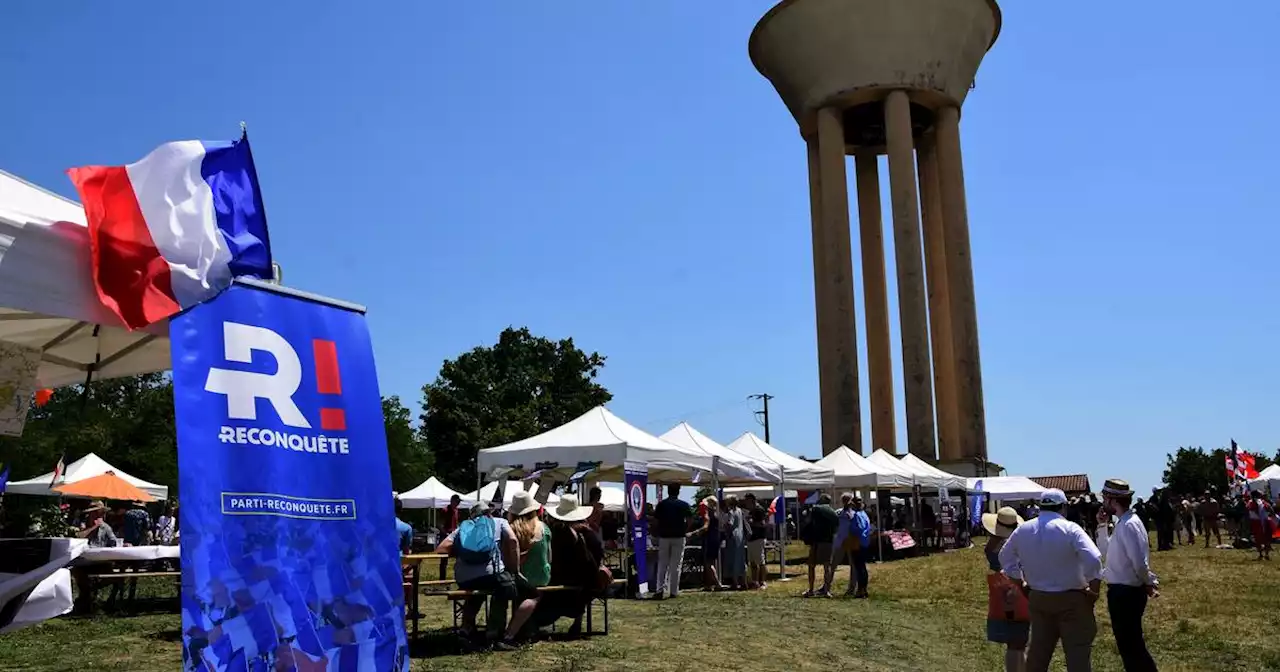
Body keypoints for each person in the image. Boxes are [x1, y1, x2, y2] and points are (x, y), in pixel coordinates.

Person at [999, 489, 1103, 672]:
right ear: (1063, 507)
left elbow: (1005, 557)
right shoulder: (1071, 528)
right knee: (1077, 655)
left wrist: (1019, 582)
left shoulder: (1024, 529)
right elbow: (1094, 558)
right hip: (1072, 599)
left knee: (1037, 655)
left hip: (1038, 597)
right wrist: (1093, 589)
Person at [435, 503, 520, 649]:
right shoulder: (500, 522)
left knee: (475, 592)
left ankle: (466, 630)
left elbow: (441, 548)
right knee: (503, 587)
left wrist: (463, 552)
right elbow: (513, 541)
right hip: (491, 575)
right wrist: (514, 568)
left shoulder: (463, 528)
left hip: (464, 578)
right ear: (489, 513)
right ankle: (494, 633)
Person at [1095, 479, 1158, 672]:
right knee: (1128, 647)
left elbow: (1139, 562)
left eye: (1105, 498)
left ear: (1112, 500)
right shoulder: (1123, 523)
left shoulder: (1129, 525)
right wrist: (1102, 526)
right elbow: (1105, 553)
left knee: (1132, 648)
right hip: (1121, 591)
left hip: (1126, 593)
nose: (1103, 503)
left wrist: (1148, 582)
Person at [530, 496, 605, 638]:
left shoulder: (551, 531)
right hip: (583, 585)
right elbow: (598, 555)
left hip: (555, 583)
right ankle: (577, 621)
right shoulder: (588, 534)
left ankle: (532, 623)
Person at [983, 507, 1029, 672]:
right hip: (1023, 591)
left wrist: (996, 534)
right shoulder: (1023, 543)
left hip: (1003, 593)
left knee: (1011, 643)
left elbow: (988, 551)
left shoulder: (995, 550)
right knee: (1021, 642)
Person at [505, 491, 550, 644]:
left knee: (523, 593)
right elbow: (549, 556)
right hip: (541, 575)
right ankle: (513, 632)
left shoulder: (509, 529)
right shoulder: (543, 528)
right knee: (534, 596)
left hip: (516, 575)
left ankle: (514, 630)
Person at [653, 484, 692, 599]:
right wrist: (685, 529)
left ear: (668, 491)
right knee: (676, 565)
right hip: (679, 536)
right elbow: (690, 520)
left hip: (664, 536)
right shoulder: (684, 505)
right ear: (678, 492)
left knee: (662, 564)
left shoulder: (661, 505)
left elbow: (655, 521)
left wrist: (657, 531)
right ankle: (673, 591)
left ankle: (659, 589)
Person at [802, 493, 839, 598]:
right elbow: (836, 528)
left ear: (821, 500)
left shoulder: (816, 509)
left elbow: (808, 520)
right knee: (827, 567)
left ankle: (811, 589)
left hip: (816, 541)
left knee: (811, 566)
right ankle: (826, 590)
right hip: (828, 541)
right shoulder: (833, 513)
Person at [688, 495, 723, 592]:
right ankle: (708, 584)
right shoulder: (716, 514)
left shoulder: (708, 513)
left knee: (708, 563)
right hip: (715, 538)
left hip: (709, 539)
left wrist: (693, 533)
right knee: (709, 562)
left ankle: (717, 584)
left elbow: (705, 527)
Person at [847, 495, 872, 598]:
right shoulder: (864, 514)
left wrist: (851, 529)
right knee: (862, 567)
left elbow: (859, 528)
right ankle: (863, 589)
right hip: (865, 542)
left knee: (859, 567)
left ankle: (861, 590)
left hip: (857, 542)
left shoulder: (856, 515)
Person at [721, 495, 748, 590]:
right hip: (740, 537)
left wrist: (724, 528)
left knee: (733, 559)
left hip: (733, 537)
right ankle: (744, 582)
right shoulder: (740, 510)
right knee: (741, 559)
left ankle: (735, 583)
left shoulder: (731, 512)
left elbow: (729, 524)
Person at [439, 494, 462, 580]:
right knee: (444, 560)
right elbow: (440, 524)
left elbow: (456, 523)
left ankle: (457, 577)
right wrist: (445, 533)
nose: (458, 503)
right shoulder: (445, 510)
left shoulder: (456, 510)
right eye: (457, 501)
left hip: (454, 537)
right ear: (452, 500)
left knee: (458, 558)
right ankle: (442, 579)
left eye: (459, 502)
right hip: (445, 536)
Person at [746, 502, 768, 590]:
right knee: (752, 562)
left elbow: (763, 524)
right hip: (751, 539)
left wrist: (751, 523)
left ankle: (763, 581)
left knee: (760, 561)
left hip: (759, 539)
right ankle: (755, 581)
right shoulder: (750, 512)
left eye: (747, 501)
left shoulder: (759, 510)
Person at [1247, 490, 1273, 561]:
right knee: (1260, 539)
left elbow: (1270, 509)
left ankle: (1264, 554)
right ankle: (1263, 554)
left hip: (1260, 522)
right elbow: (1270, 510)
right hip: (1258, 522)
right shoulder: (1253, 502)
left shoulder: (1260, 502)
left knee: (1263, 538)